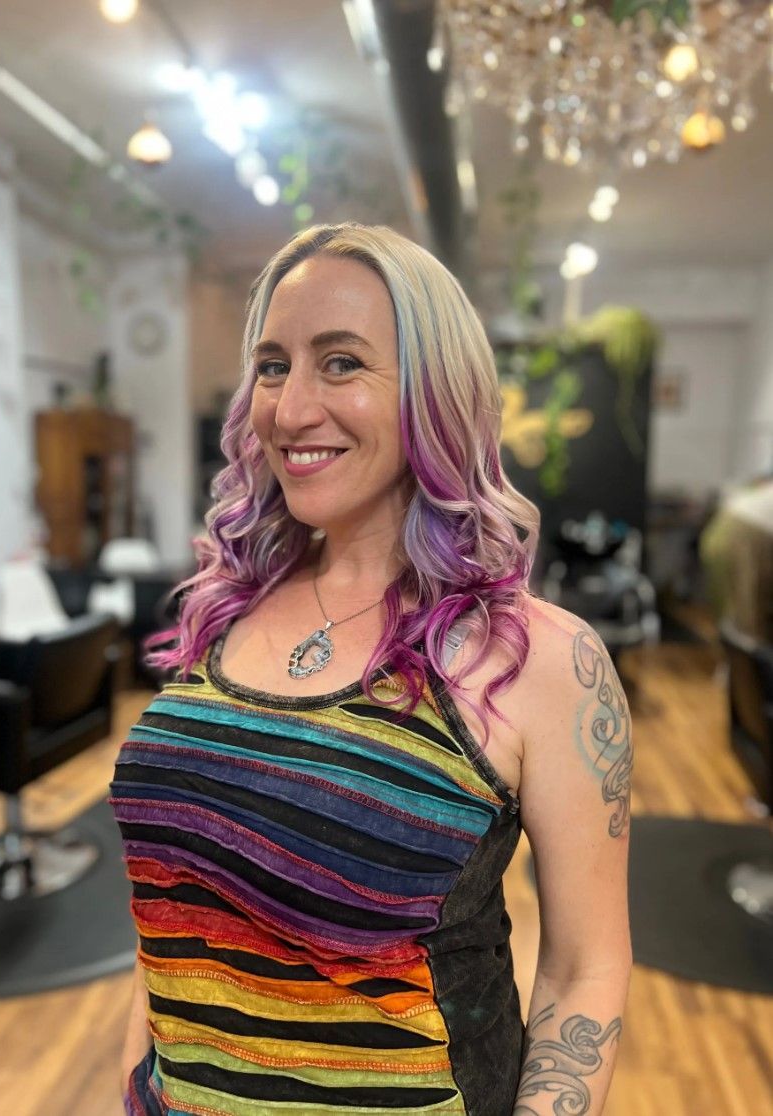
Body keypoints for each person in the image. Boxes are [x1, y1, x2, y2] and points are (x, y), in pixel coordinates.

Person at [111, 222, 633, 1116]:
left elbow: (584, 971)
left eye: (342, 362)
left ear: (435, 394)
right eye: (273, 365)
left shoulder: (537, 659)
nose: (289, 406)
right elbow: (169, 918)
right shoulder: (224, 604)